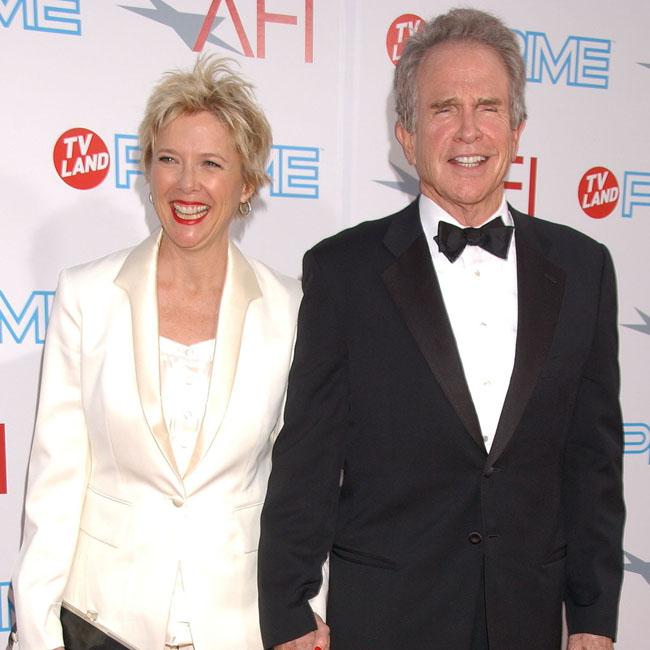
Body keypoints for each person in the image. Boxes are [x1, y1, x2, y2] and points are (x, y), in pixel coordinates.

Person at [258, 8, 624, 650]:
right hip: (386, 620)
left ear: (517, 129)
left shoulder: (583, 268)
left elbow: (592, 464)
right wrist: (288, 609)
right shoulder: (343, 271)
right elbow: (308, 457)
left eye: (489, 107)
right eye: (443, 108)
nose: (468, 131)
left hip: (526, 621)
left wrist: (594, 620)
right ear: (406, 135)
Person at [11, 56, 325, 649]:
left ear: (247, 184)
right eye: (168, 160)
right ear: (148, 171)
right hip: (102, 623)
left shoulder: (292, 308)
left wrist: (310, 609)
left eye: (211, 164)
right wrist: (35, 634)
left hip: (240, 624)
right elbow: (54, 488)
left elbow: (305, 487)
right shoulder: (87, 295)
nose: (186, 185)